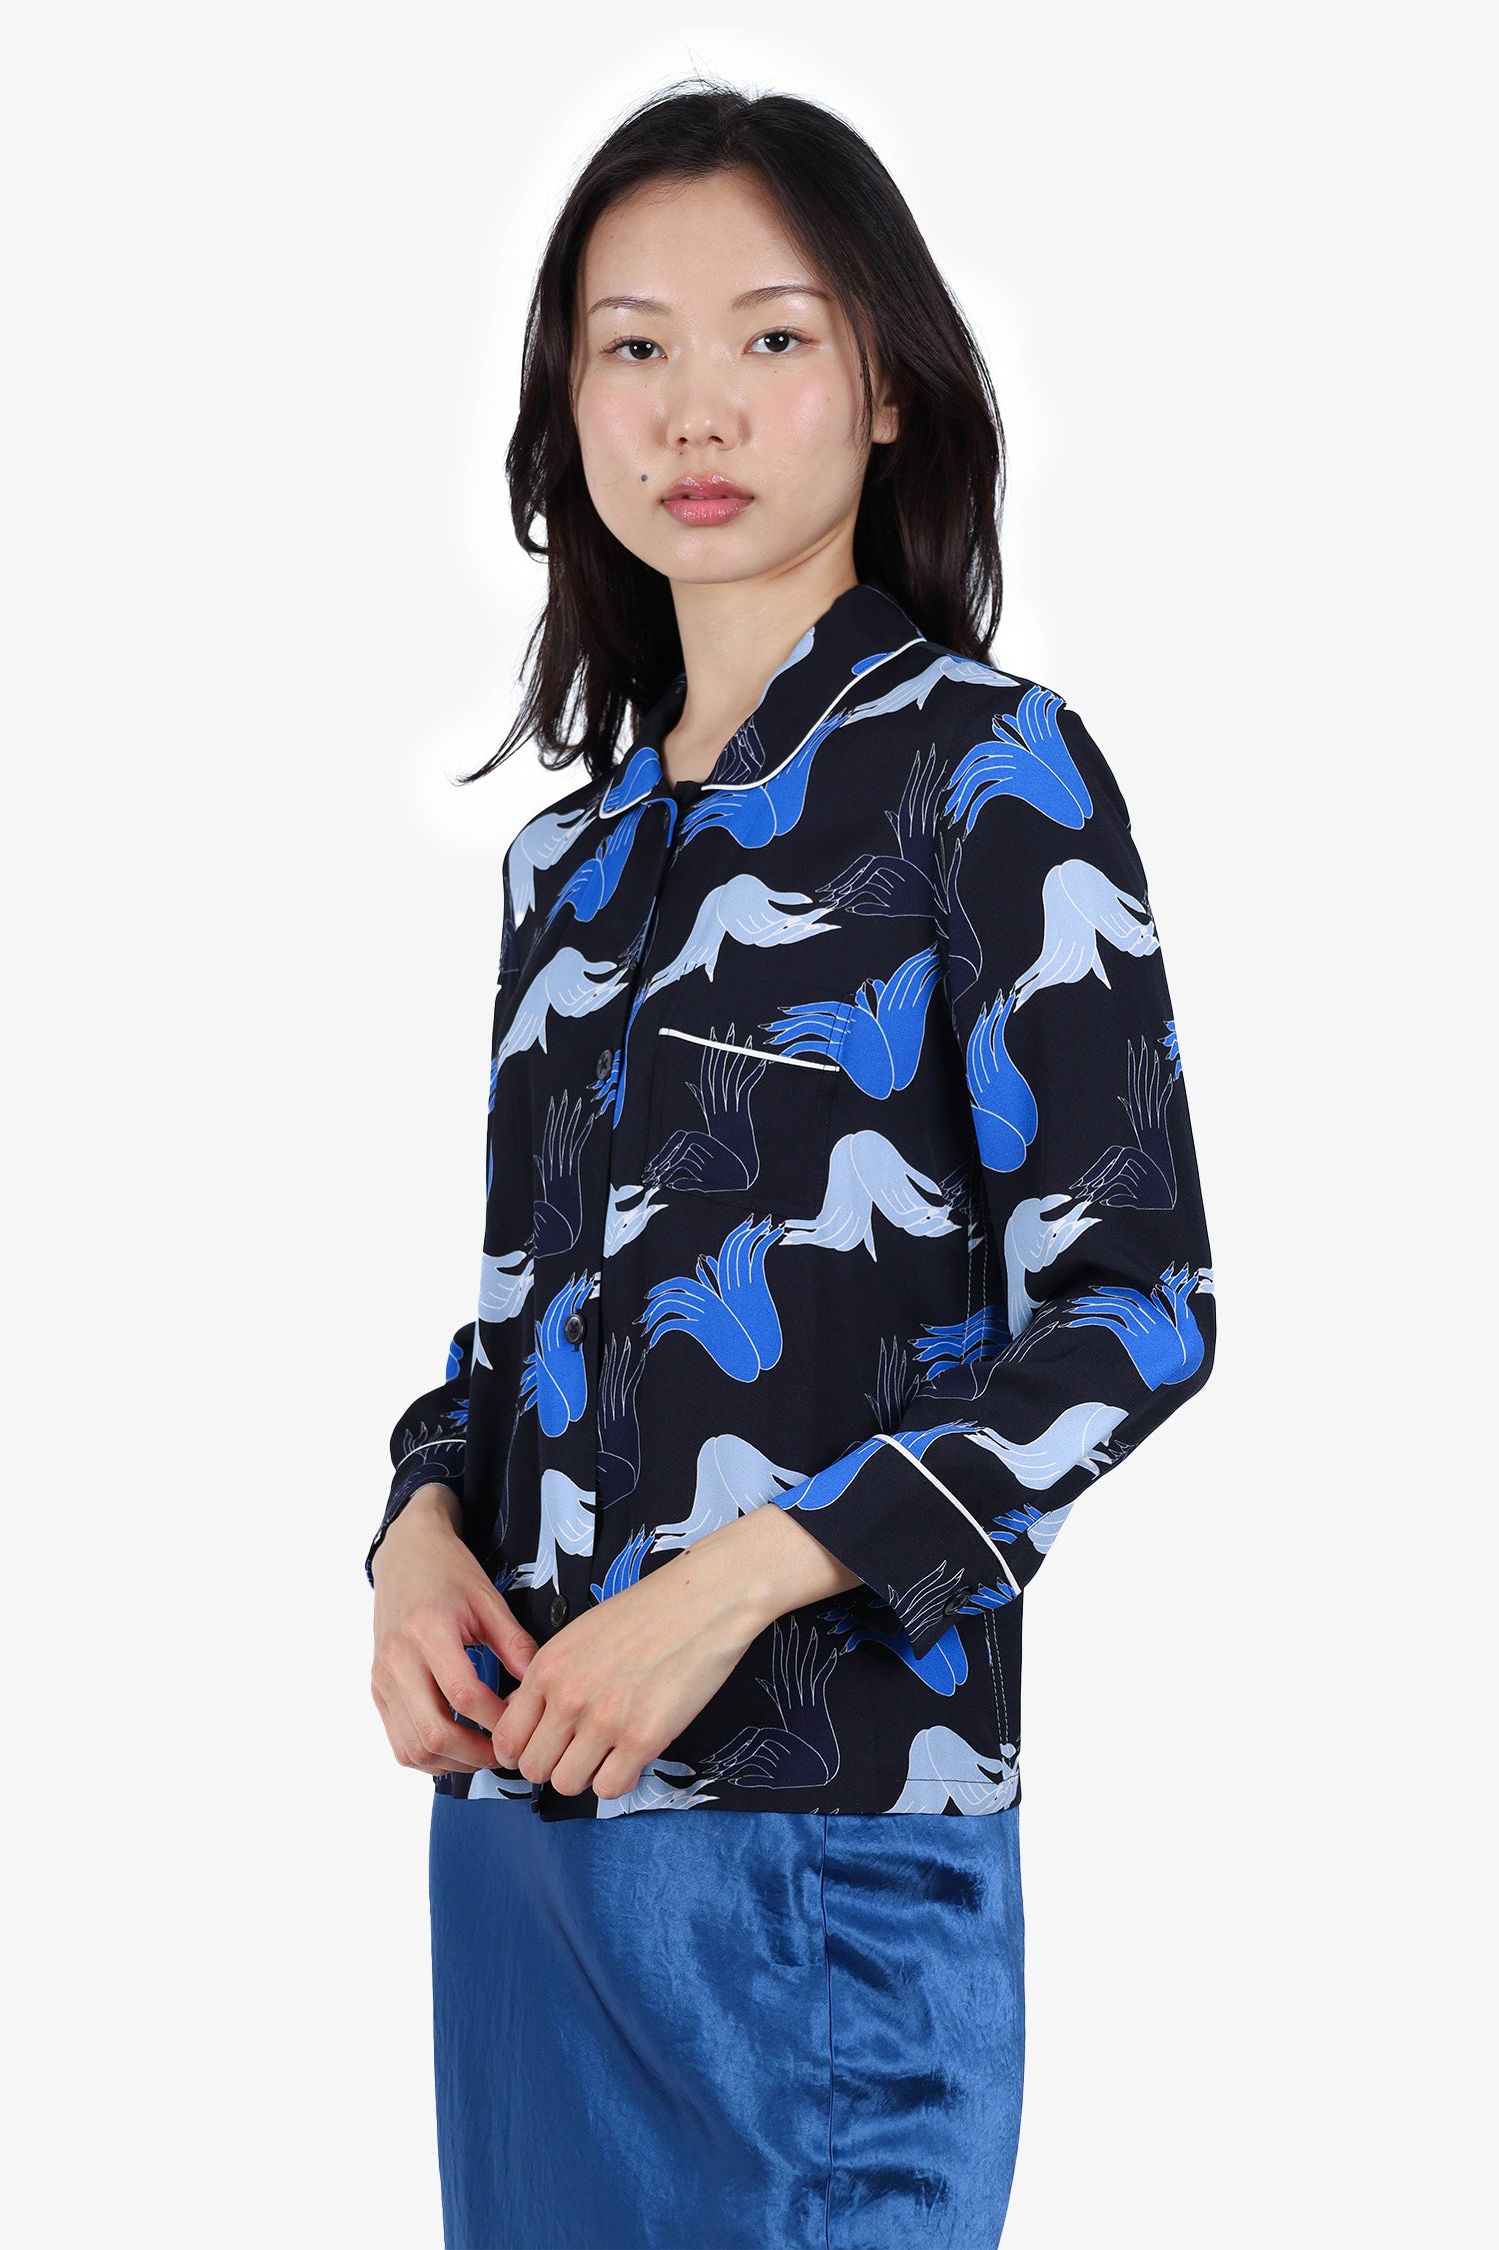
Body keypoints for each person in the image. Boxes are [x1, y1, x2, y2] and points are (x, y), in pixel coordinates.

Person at [367, 78, 1216, 2250]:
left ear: (888, 383)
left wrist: (735, 1584)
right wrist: (415, 1535)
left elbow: (1137, 1309)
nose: (695, 409)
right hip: (525, 1838)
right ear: (567, 407)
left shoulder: (988, 774)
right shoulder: (568, 868)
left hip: (826, 1845)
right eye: (631, 346)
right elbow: (518, 1327)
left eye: (771, 334)